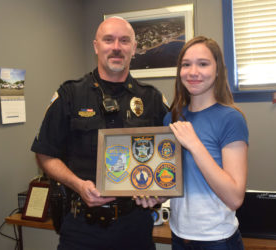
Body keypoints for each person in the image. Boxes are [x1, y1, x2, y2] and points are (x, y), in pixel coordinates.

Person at [31, 16, 168, 250]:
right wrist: (77, 185)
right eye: (108, 40)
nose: (116, 47)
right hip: (82, 228)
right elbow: (44, 154)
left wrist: (164, 192)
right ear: (96, 46)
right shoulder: (70, 95)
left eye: (124, 41)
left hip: (135, 227)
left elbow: (169, 154)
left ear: (134, 48)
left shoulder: (152, 99)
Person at [163, 36, 249, 250]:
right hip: (179, 236)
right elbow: (173, 181)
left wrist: (194, 143)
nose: (193, 72)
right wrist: (153, 196)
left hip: (217, 240)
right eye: (186, 64)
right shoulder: (171, 118)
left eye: (203, 64)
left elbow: (235, 197)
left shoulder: (231, 119)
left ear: (217, 70)